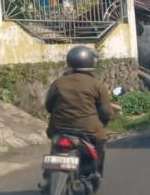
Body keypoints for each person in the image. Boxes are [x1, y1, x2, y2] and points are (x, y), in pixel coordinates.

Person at [45, 46, 116, 175]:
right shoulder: (96, 85)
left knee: (55, 143)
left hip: (58, 128)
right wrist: (110, 116)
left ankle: (50, 170)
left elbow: (49, 106)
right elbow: (106, 112)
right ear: (90, 62)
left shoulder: (58, 82)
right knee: (101, 139)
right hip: (87, 130)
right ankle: (95, 171)